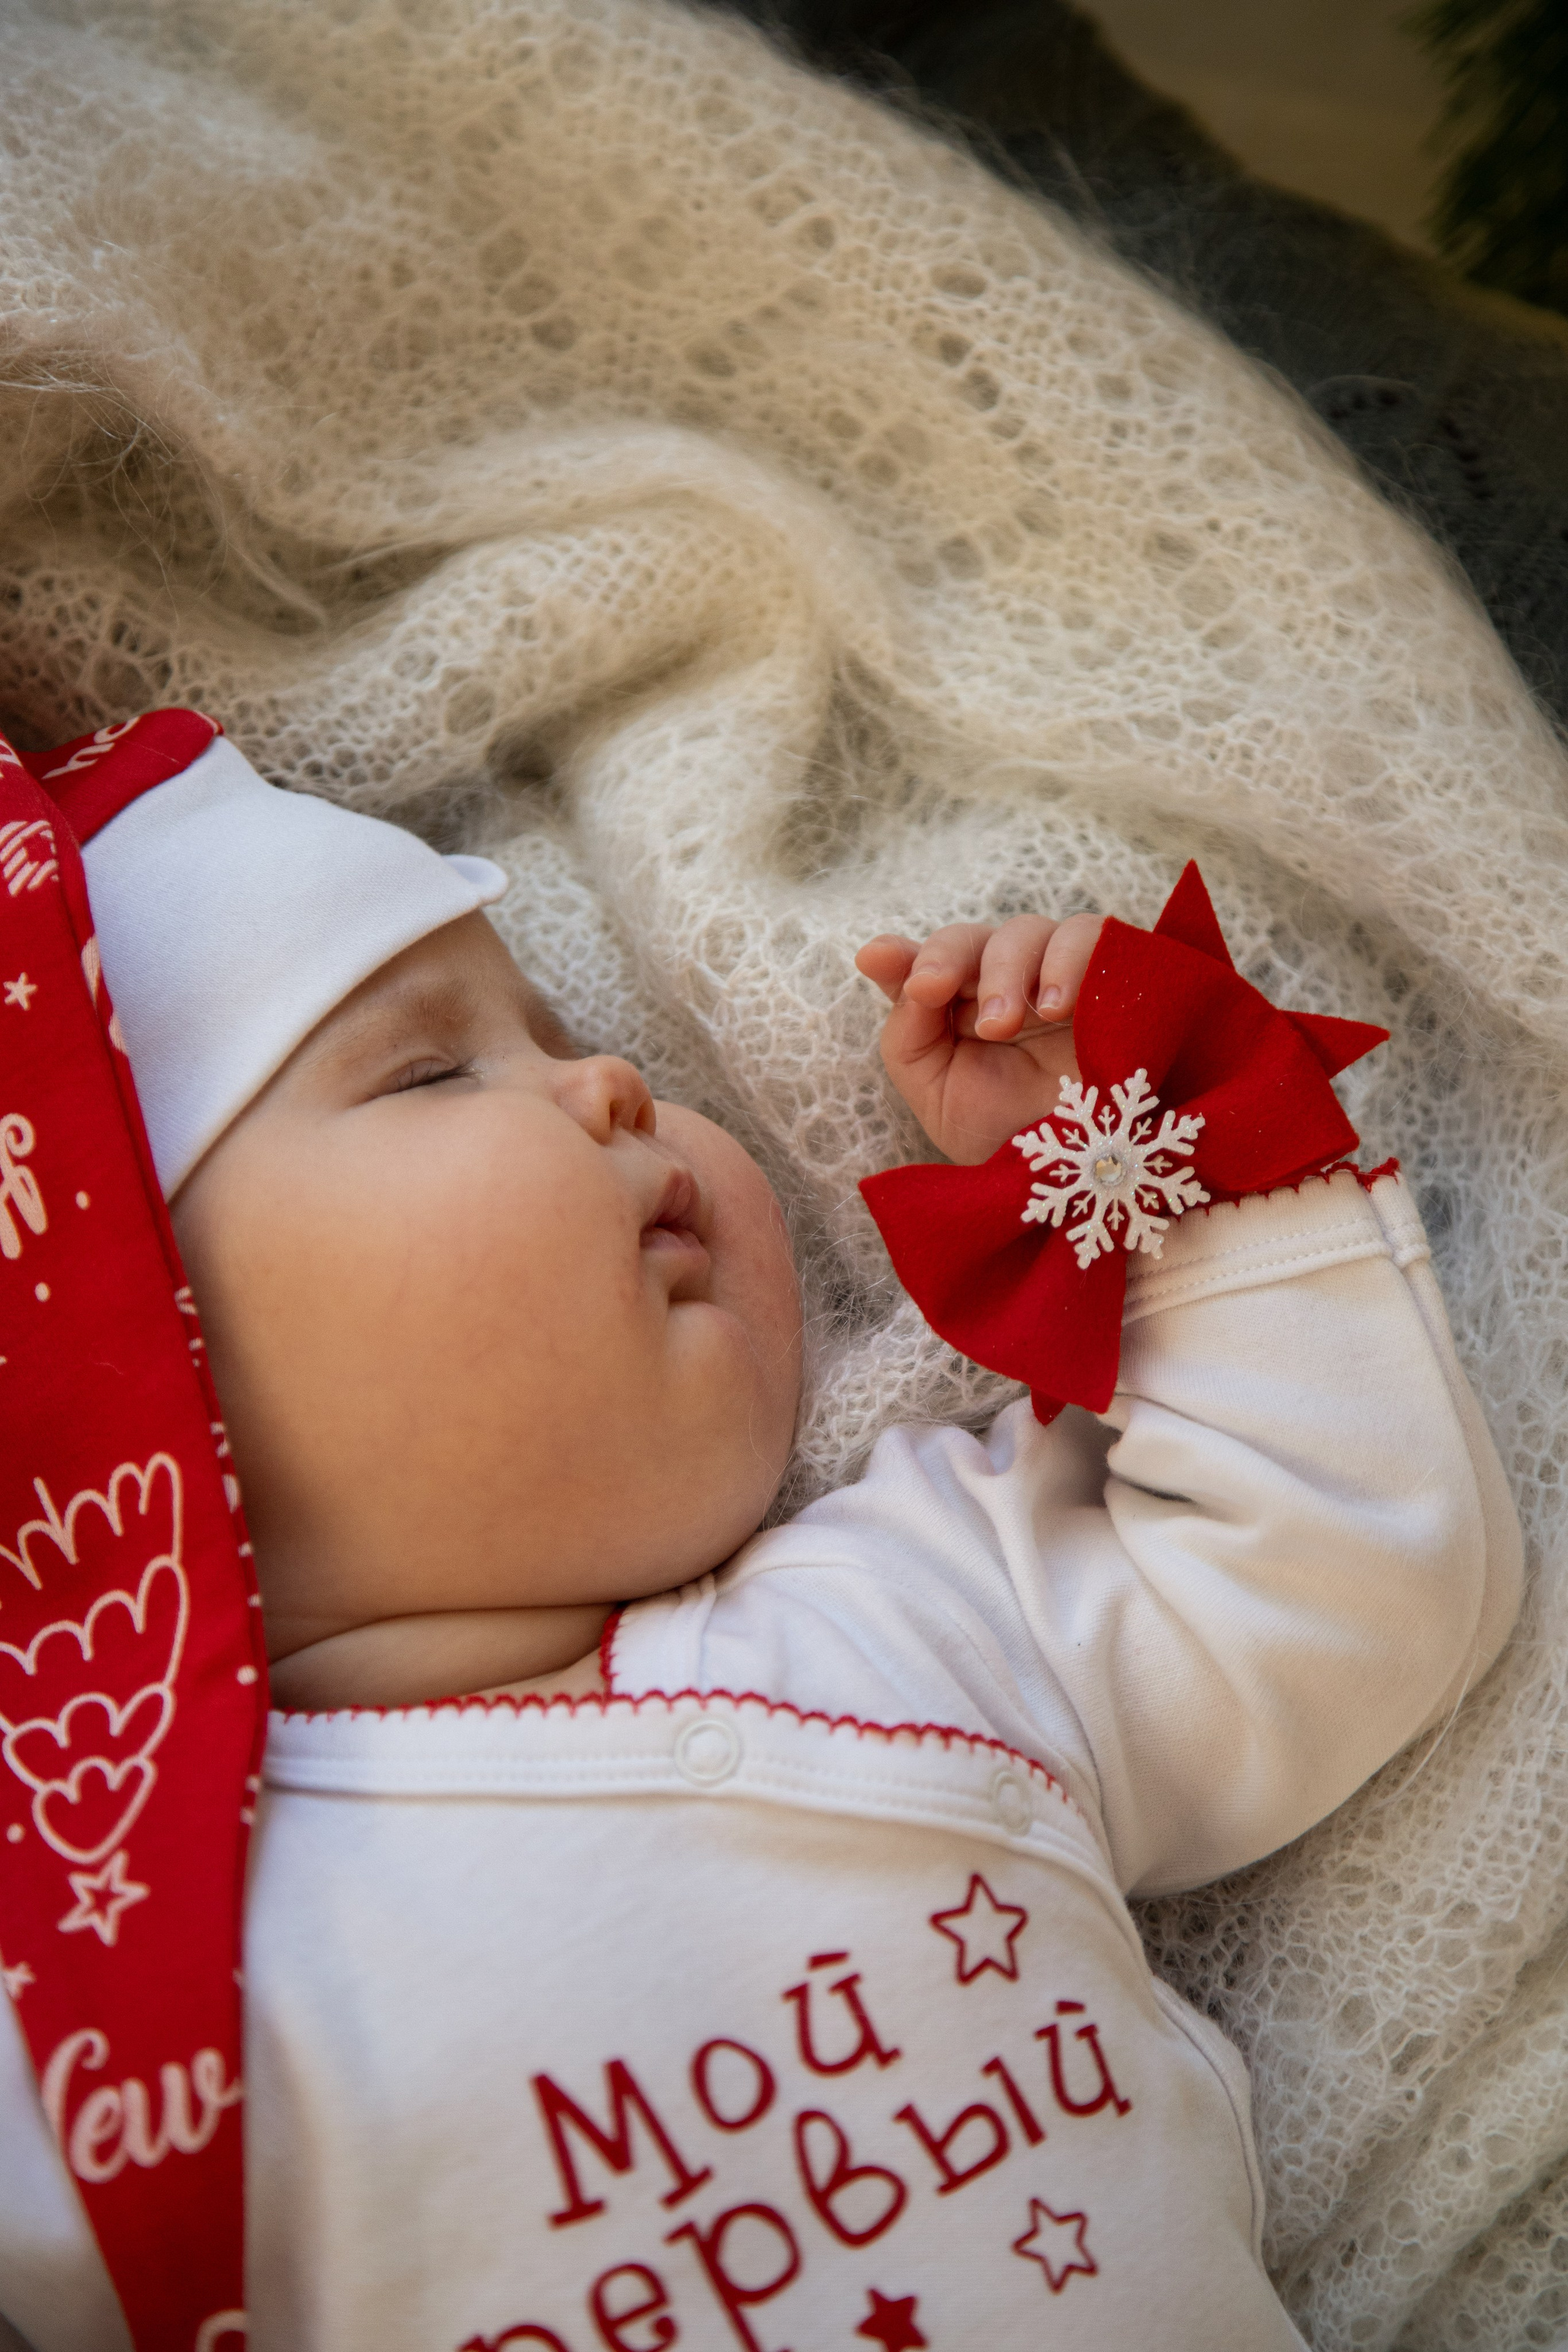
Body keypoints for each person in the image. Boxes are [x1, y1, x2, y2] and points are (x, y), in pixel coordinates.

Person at [0, 712, 1521, 2352]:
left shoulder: (915, 1613)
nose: (610, 1084)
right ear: (124, 1358)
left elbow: (1341, 1574)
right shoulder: (100, 1996)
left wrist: (1148, 1146)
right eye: (432, 1070)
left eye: (563, 1032)